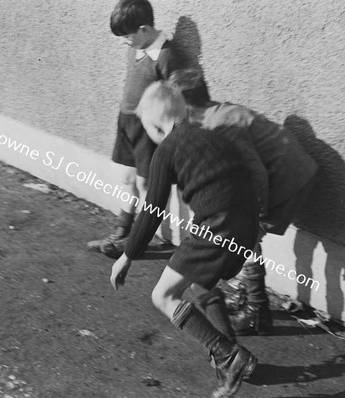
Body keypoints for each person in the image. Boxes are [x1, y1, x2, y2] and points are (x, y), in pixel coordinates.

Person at [110, 81, 260, 398]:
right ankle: (227, 356)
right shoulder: (211, 136)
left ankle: (229, 357)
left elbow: (152, 210)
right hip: (245, 227)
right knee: (199, 285)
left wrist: (128, 255)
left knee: (163, 296)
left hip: (216, 227)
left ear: (153, 124)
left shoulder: (166, 150)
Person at [194, 101, 318, 335]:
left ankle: (257, 311)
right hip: (284, 175)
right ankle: (248, 298)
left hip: (289, 179)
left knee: (246, 236)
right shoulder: (213, 116)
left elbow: (254, 173)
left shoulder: (221, 125)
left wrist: (254, 215)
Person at [87, 0, 179, 257]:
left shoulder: (166, 54)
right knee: (128, 180)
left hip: (147, 127)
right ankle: (122, 231)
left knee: (147, 183)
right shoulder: (135, 48)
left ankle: (145, 238)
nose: (124, 41)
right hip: (126, 120)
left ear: (144, 29)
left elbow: (171, 97)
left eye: (127, 35)